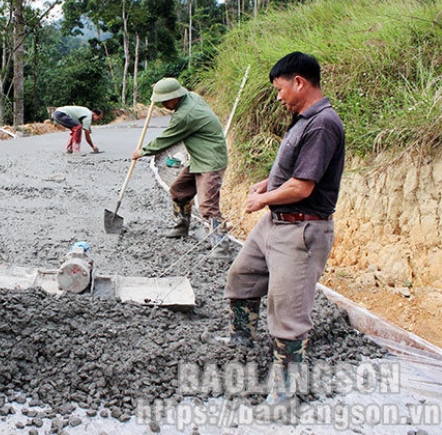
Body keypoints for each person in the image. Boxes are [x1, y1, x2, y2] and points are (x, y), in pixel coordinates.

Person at [221, 52, 345, 409]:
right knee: (242, 278)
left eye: (280, 90)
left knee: (287, 312)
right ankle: (242, 341)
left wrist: (263, 199)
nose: (279, 97)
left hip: (301, 229)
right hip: (276, 222)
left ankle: (286, 390)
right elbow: (292, 171)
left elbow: (303, 187)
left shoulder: (322, 124)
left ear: (299, 83)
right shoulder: (305, 120)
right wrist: (266, 184)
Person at [132, 77, 228, 239]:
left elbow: (167, 139)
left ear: (175, 97)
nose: (163, 105)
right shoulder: (191, 97)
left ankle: (221, 245)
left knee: (207, 206)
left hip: (210, 160)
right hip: (198, 158)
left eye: (165, 101)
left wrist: (142, 152)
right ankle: (181, 227)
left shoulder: (185, 115)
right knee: (179, 191)